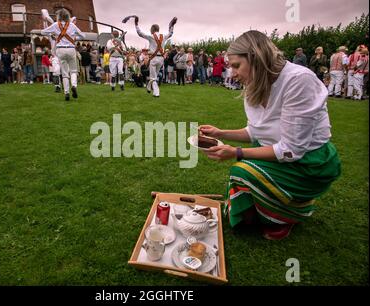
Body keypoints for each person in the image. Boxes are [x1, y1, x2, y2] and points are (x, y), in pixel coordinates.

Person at [199, 30, 341, 240]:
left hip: (310, 163)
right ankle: (267, 209)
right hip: (282, 156)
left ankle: (288, 214)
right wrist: (220, 133)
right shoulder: (255, 85)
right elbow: (256, 132)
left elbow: (291, 150)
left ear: (256, 58)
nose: (233, 74)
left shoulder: (298, 80)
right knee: (242, 173)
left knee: (242, 171)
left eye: (237, 66)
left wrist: (236, 152)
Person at [39, 8, 85, 101]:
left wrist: (55, 34)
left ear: (59, 16)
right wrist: (74, 38)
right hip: (71, 49)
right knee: (73, 70)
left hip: (60, 50)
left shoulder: (55, 25)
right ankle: (74, 86)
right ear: (68, 16)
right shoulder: (72, 25)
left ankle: (67, 92)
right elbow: (83, 36)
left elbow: (42, 32)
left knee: (64, 73)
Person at [135, 16, 177, 97]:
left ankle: (156, 92)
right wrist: (172, 26)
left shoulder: (151, 36)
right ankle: (148, 87)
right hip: (161, 59)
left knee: (153, 77)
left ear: (153, 29)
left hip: (153, 58)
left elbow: (140, 33)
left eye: (151, 29)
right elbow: (171, 33)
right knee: (154, 76)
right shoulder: (163, 36)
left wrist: (136, 24)